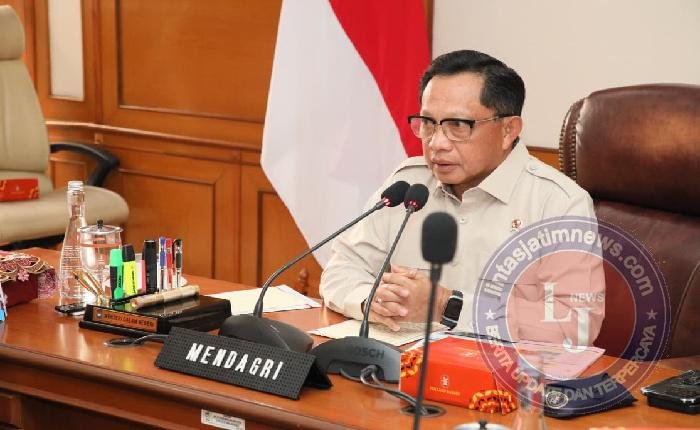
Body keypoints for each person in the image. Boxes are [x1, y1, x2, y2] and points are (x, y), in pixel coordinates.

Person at [319, 50, 604, 346]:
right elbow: (341, 269)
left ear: (508, 130)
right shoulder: (408, 185)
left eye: (458, 125)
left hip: (499, 372)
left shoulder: (557, 202)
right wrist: (373, 299)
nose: (437, 143)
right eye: (428, 123)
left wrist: (447, 304)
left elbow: (576, 323)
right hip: (402, 364)